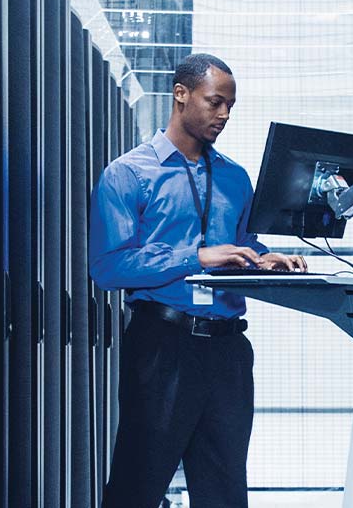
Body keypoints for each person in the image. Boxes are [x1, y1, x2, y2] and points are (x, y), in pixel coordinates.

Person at [89, 53, 306, 507]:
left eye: (230, 105)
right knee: (137, 484)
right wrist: (196, 256)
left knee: (225, 490)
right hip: (162, 346)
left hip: (228, 351)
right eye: (215, 102)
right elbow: (109, 267)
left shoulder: (234, 177)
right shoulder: (128, 174)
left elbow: (244, 242)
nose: (224, 115)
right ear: (181, 94)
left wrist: (266, 259)